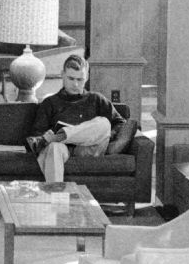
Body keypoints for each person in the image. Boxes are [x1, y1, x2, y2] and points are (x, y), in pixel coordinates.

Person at [25, 53, 127, 184]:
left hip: (90, 148)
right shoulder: (50, 103)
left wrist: (108, 136)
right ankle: (57, 198)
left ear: (87, 77)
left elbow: (120, 123)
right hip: (62, 149)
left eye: (80, 80)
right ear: (62, 74)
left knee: (104, 123)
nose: (75, 84)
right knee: (54, 147)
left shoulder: (96, 99)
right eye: (71, 78)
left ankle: (61, 135)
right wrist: (45, 138)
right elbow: (36, 136)